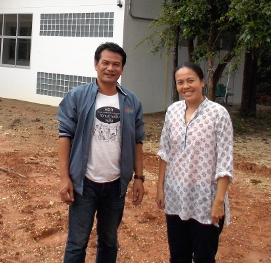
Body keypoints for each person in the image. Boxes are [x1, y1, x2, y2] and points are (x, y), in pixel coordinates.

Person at [57, 42, 145, 263]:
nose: (110, 68)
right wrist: (64, 178)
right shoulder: (77, 96)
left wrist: (139, 178)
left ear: (122, 69)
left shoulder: (131, 101)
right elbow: (64, 136)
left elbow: (137, 142)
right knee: (77, 243)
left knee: (109, 241)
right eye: (105, 62)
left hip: (116, 185)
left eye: (116, 64)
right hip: (84, 184)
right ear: (96, 64)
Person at [156, 62, 234, 263]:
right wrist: (160, 189)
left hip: (205, 199)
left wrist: (218, 201)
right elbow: (165, 153)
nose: (185, 86)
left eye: (190, 80)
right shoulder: (172, 111)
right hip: (175, 196)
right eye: (180, 82)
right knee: (178, 256)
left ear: (202, 82)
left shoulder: (218, 114)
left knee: (204, 257)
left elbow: (225, 161)